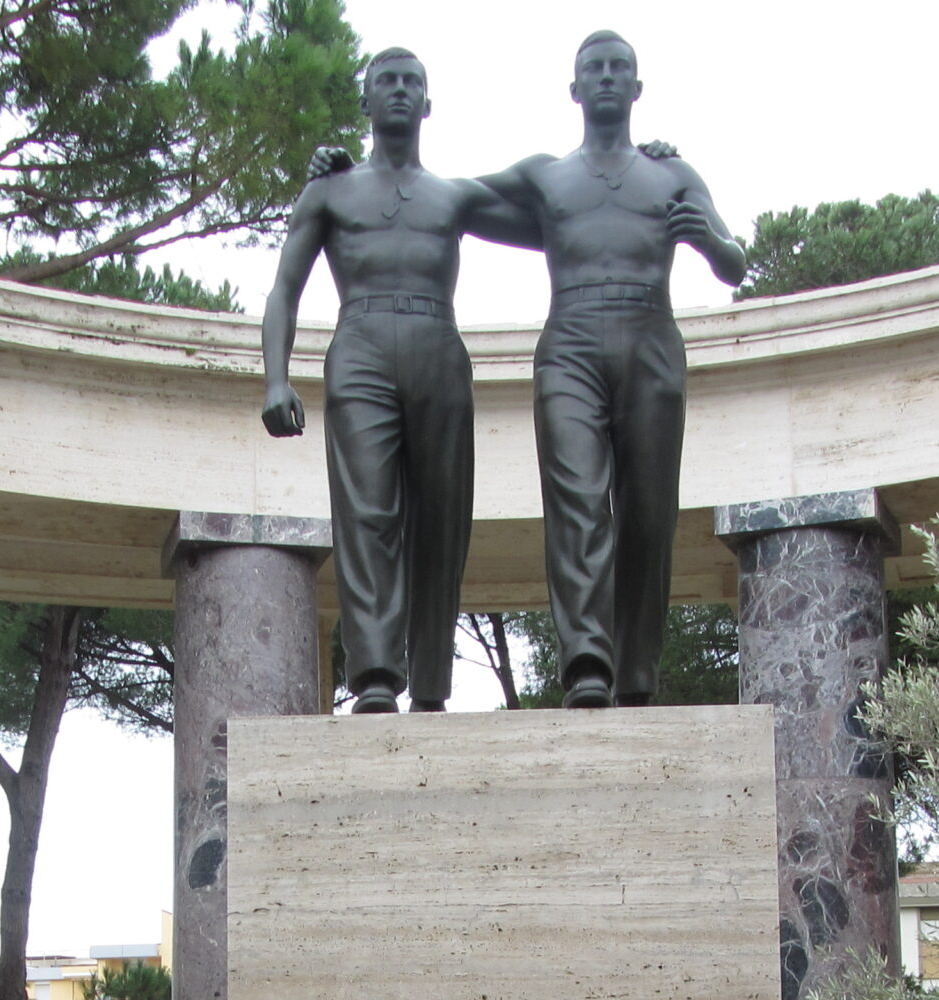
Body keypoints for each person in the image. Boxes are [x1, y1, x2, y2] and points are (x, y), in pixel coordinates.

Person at [260, 49, 538, 712]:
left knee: (441, 522)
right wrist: (275, 378)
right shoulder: (330, 189)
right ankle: (376, 675)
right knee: (367, 516)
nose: (400, 91)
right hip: (358, 347)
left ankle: (434, 683)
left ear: (428, 103)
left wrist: (634, 166)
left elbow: (559, 219)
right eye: (386, 81)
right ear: (366, 101)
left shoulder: (455, 194)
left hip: (438, 346)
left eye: (412, 82)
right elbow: (284, 288)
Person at [481, 31, 746, 706]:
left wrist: (710, 239)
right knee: (577, 503)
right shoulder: (546, 175)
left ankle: (636, 666)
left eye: (618, 68)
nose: (605, 77)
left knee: (649, 515)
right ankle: (587, 664)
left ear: (637, 88)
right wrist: (353, 175)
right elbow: (450, 198)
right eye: (592, 68)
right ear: (574, 90)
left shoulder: (672, 173)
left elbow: (734, 263)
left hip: (650, 337)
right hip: (569, 340)